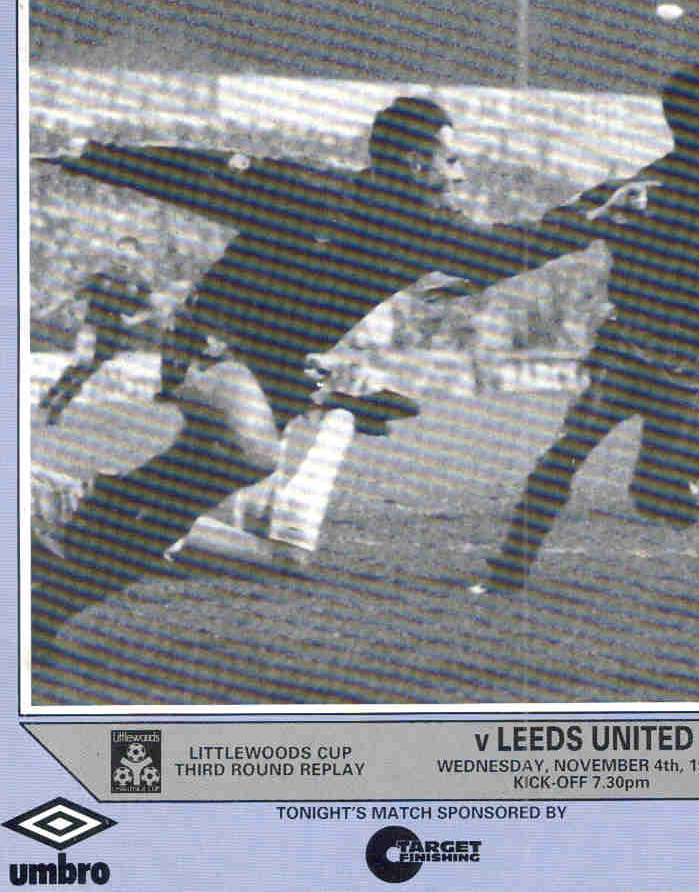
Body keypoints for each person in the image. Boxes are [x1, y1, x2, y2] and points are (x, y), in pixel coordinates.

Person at [30, 96, 644, 656]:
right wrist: (95, 156)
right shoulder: (312, 188)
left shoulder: (430, 228)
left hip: (276, 369)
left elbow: (511, 249)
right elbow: (202, 174)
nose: (460, 173)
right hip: (213, 341)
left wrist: (596, 212)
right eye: (451, 159)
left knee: (169, 515)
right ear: (415, 163)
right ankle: (79, 499)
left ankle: (46, 611)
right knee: (251, 455)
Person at [472, 66, 699, 596]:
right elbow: (557, 232)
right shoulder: (638, 189)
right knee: (565, 453)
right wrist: (480, 273)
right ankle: (508, 568)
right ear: (675, 116)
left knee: (653, 496)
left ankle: (665, 487)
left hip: (693, 364)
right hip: (626, 349)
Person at [37, 236, 153, 425]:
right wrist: (51, 308)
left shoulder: (140, 282)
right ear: (115, 251)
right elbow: (75, 295)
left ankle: (55, 398)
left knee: (87, 370)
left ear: (136, 255)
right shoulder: (102, 274)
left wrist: (133, 319)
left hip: (114, 333)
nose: (123, 252)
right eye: (120, 248)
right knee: (82, 363)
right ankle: (56, 408)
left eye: (128, 249)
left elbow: (148, 310)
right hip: (91, 326)